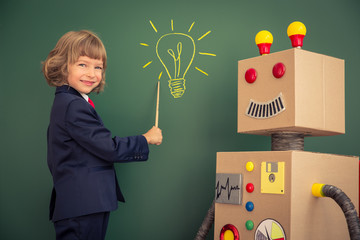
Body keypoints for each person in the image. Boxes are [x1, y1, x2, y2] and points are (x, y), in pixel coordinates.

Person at [42, 30, 163, 240]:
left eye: (98, 67)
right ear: (63, 66)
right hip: (82, 204)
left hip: (82, 202)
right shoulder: (73, 106)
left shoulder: (69, 102)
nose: (92, 73)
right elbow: (108, 148)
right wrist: (146, 138)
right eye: (83, 65)